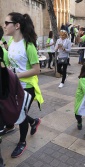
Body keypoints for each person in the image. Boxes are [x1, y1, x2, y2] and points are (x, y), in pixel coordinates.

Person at [3, 12, 43, 158]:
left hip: (27, 86)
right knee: (17, 112)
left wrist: (14, 76)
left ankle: (22, 142)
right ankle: (34, 121)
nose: (4, 25)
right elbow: (10, 65)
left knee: (19, 114)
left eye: (7, 23)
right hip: (14, 85)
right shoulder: (12, 43)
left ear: (17, 25)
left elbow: (36, 69)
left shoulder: (28, 45)